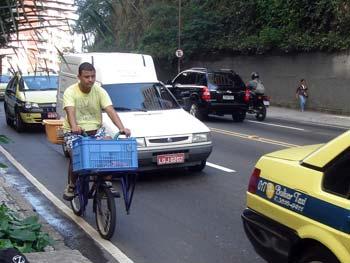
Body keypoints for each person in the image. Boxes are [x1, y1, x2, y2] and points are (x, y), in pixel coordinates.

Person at [62, 62, 131, 201]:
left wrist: (121, 128)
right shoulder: (70, 91)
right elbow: (70, 112)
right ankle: (72, 185)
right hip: (74, 131)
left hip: (96, 130)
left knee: (109, 148)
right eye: (87, 77)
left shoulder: (99, 91)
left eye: (93, 76)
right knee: (76, 156)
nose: (91, 80)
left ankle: (105, 181)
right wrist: (75, 126)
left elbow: (110, 110)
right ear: (79, 77)